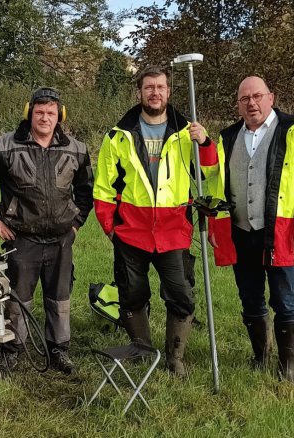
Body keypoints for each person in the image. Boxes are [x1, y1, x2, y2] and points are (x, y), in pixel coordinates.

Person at [204, 76, 294, 384]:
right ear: (238, 104)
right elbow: (214, 184)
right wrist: (214, 225)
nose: (251, 103)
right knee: (249, 298)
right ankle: (260, 355)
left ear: (270, 98)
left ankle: (288, 367)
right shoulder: (229, 137)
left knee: (284, 299)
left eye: (257, 96)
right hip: (240, 231)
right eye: (244, 98)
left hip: (281, 232)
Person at [93, 66, 220, 376]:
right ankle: (142, 349)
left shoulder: (187, 133)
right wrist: (111, 227)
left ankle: (174, 359)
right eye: (149, 87)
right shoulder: (118, 135)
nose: (155, 92)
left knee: (181, 295)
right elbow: (103, 188)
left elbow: (210, 174)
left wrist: (204, 144)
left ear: (169, 92)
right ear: (140, 92)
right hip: (131, 232)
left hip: (173, 232)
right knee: (132, 295)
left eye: (160, 87)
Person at [0, 87, 94, 374]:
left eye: (51, 112)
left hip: (61, 239)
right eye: (39, 112)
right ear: (29, 113)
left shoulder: (76, 148)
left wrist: (76, 224)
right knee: (17, 298)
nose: (45, 117)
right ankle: (11, 350)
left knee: (60, 298)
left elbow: (87, 192)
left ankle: (59, 350)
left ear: (59, 116)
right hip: (21, 238)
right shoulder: (4, 146)